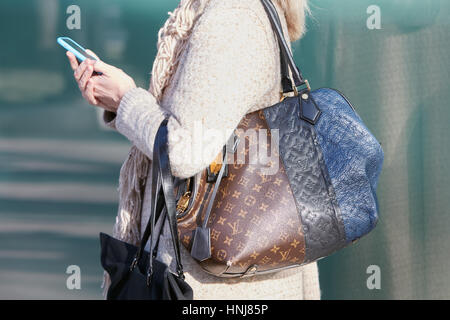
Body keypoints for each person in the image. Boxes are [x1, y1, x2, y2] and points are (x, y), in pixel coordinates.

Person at [66, 0, 320, 299]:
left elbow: (182, 148)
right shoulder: (244, 11)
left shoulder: (232, 18)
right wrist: (119, 101)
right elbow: (202, 123)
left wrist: (125, 100)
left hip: (209, 283)